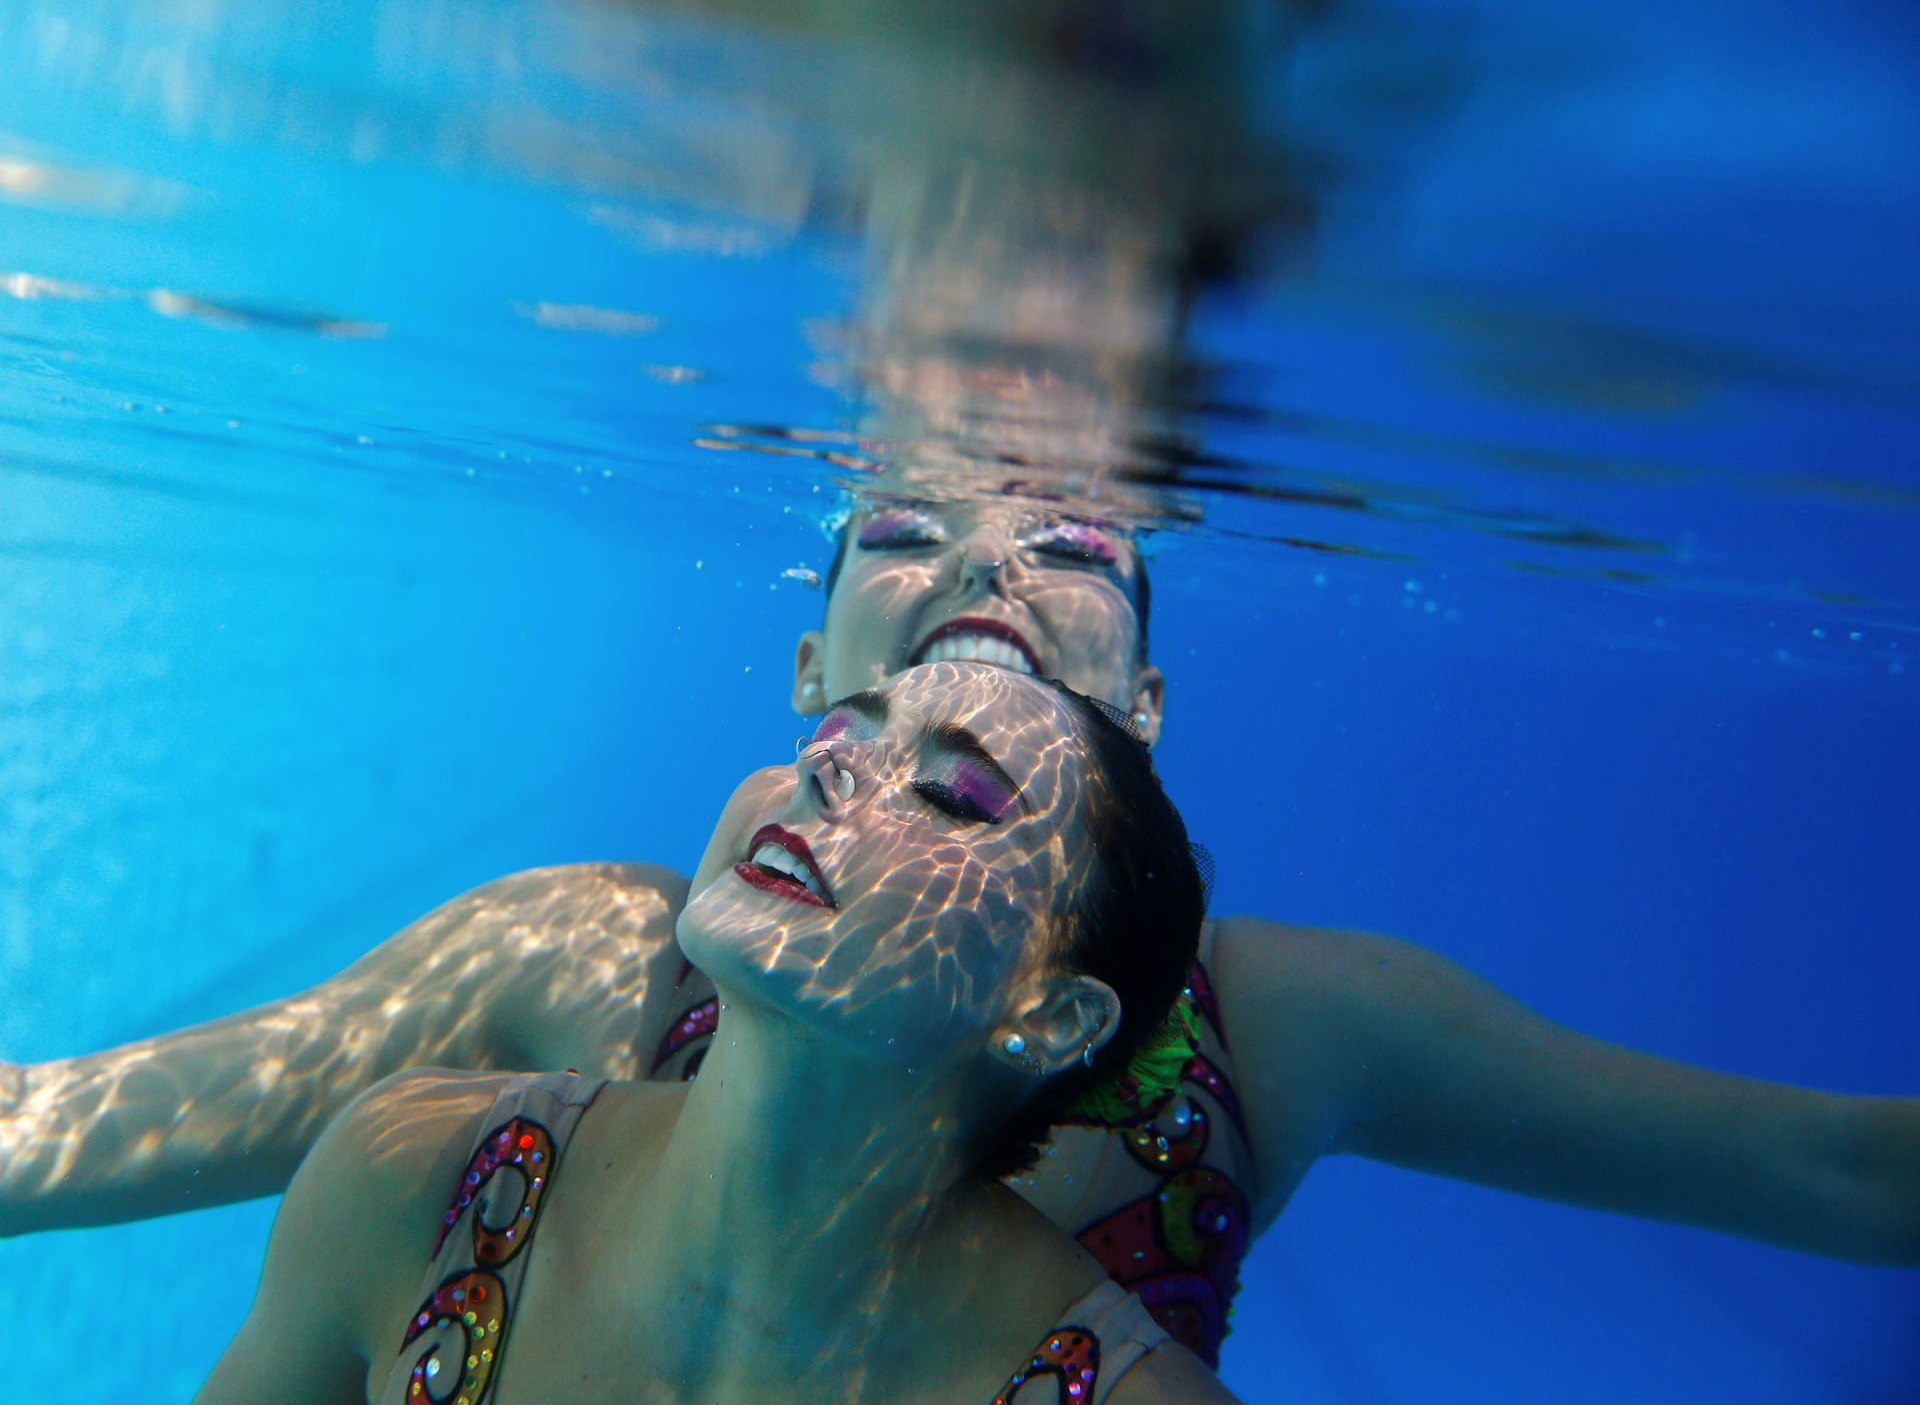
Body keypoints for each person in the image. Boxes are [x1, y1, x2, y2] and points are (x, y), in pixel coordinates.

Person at [7, 488, 1918, 1377]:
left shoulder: (1288, 1023)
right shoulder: (570, 974)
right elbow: (72, 1126)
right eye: (903, 529)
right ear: (810, 664)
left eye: (1079, 548)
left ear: (1144, 708)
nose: (990, 569)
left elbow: (1829, 1164)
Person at [195, 662, 1235, 1405]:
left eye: (947, 793)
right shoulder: (415, 1180)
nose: (830, 775)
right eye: (841, 735)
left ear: (1052, 1016)